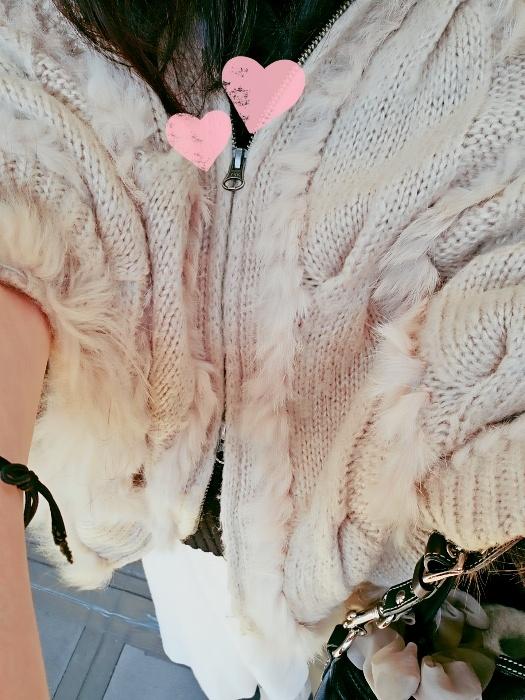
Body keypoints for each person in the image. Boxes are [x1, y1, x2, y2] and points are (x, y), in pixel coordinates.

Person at [0, 0, 523, 699]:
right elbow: (28, 178)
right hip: (161, 530)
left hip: (350, 568)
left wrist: (485, 477)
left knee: (284, 666)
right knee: (214, 657)